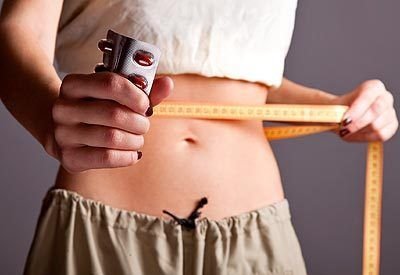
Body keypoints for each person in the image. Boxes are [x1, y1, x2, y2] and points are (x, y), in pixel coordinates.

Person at [0, 0, 397, 274]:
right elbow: (20, 28)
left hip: (254, 237)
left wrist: (340, 108)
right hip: (101, 231)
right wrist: (47, 120)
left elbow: (242, 77)